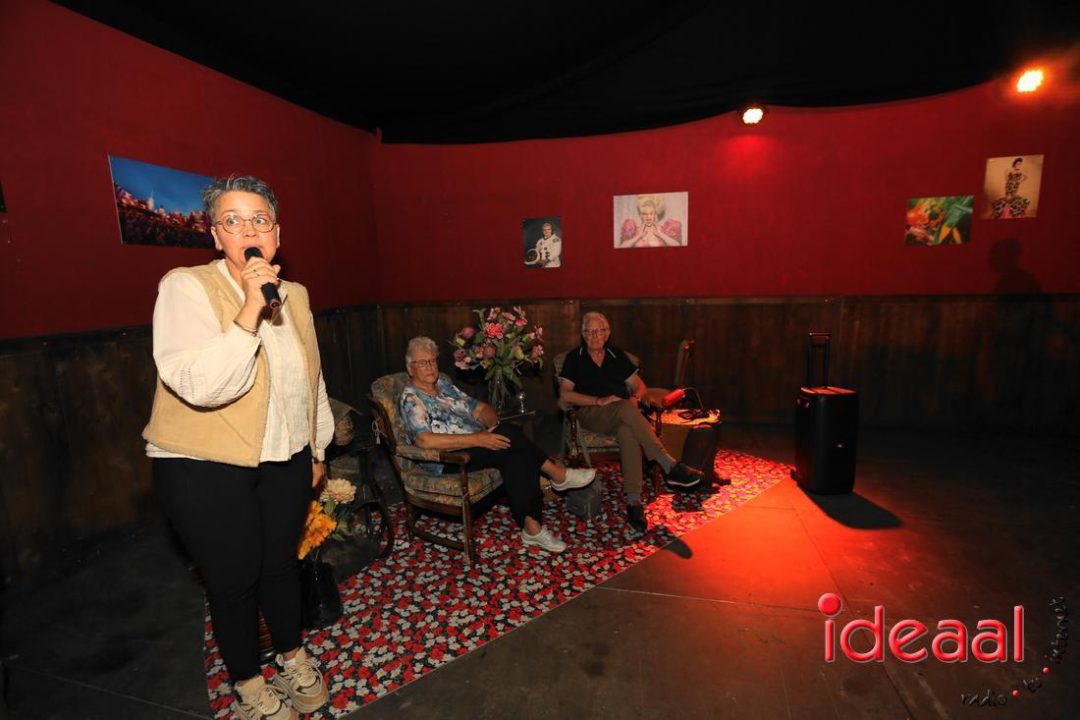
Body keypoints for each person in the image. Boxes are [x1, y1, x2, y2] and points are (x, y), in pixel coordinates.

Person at [143, 175, 330, 720]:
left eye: (259, 220)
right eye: (233, 220)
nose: (248, 230)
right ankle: (249, 685)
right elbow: (202, 387)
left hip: (285, 458)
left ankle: (292, 656)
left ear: (277, 235)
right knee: (233, 582)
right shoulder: (185, 287)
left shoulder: (295, 295)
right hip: (205, 465)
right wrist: (248, 309)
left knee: (280, 567)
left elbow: (311, 377)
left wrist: (317, 448)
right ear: (215, 236)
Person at [399, 336, 595, 553]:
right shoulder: (412, 398)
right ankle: (556, 474)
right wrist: (480, 438)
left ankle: (532, 528)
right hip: (449, 458)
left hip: (476, 443)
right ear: (410, 368)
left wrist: (492, 425)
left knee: (512, 451)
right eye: (422, 362)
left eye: (432, 360)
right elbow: (424, 440)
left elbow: (480, 408)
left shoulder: (443, 385)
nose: (429, 366)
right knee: (510, 437)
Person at [558, 312, 703, 533]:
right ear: (583, 334)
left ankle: (634, 501)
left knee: (628, 431)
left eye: (599, 331)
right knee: (626, 408)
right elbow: (565, 394)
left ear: (607, 334)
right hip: (591, 413)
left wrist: (635, 398)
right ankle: (669, 465)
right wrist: (598, 400)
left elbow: (639, 386)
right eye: (589, 331)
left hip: (623, 413)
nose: (594, 336)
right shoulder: (574, 358)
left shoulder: (616, 356)